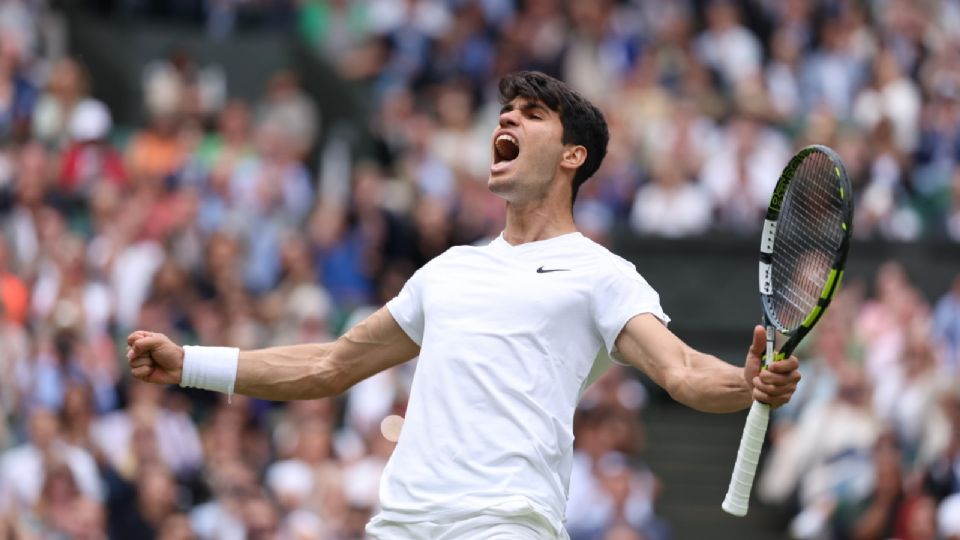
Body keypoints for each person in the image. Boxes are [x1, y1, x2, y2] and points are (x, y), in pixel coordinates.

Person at [125, 71, 801, 539]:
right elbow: (330, 365)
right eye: (506, 112)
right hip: (402, 524)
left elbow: (681, 370)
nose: (507, 118)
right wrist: (190, 363)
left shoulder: (602, 274)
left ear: (573, 155)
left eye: (532, 115)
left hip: (505, 523)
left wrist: (745, 384)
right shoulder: (449, 270)